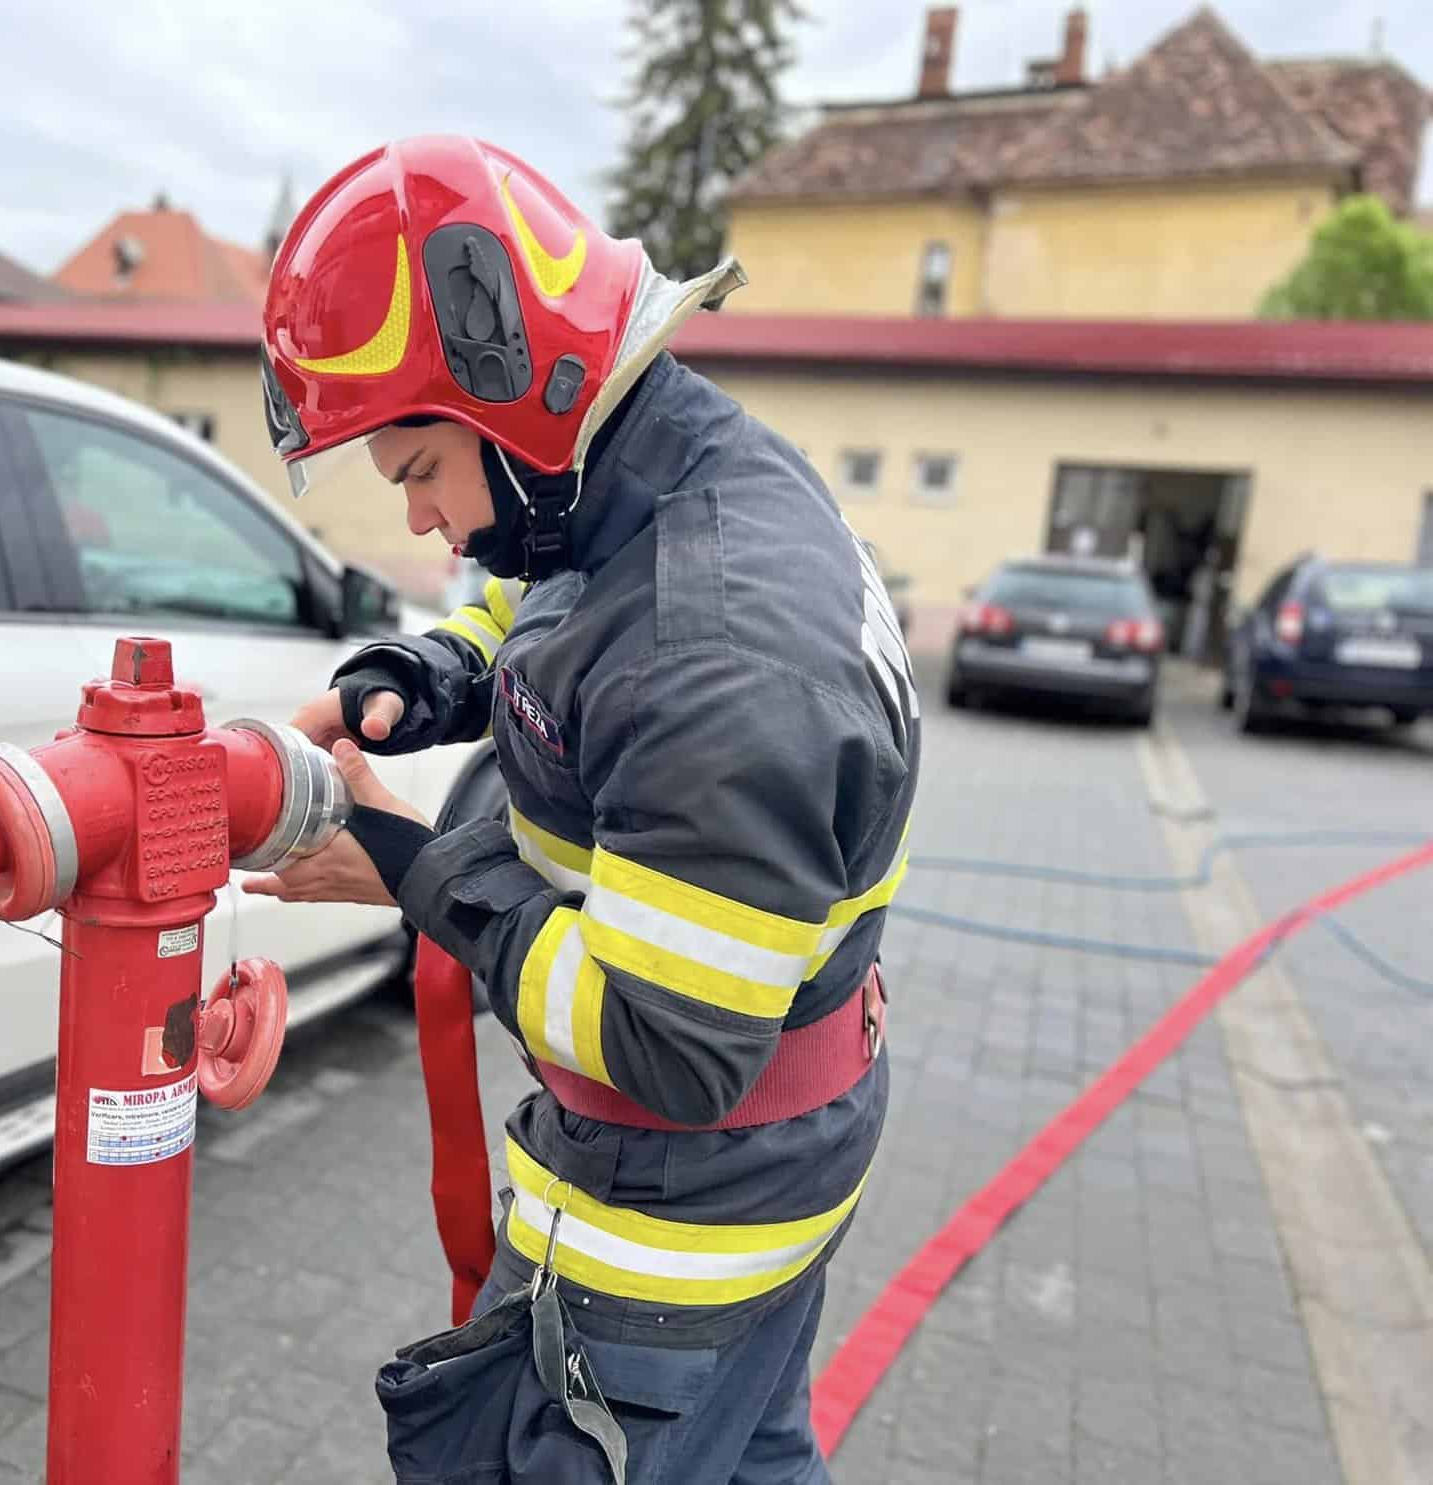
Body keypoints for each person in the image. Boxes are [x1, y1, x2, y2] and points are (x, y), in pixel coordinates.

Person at [242, 135, 920, 1484]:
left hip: (683, 1210)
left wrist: (414, 862)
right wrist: (427, 677)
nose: (430, 523)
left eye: (422, 467)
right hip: (778, 1146)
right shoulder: (650, 477)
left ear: (517, 400)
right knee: (751, 1455)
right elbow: (555, 600)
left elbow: (663, 1043)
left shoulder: (718, 654)